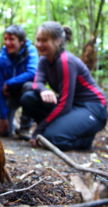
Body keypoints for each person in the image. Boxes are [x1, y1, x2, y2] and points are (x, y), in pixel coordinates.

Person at [20, 21, 107, 150]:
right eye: (38, 40)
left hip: (93, 108)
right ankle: (54, 129)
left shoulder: (66, 61)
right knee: (29, 97)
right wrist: (43, 90)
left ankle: (85, 141)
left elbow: (65, 105)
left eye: (44, 40)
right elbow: (36, 83)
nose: (39, 44)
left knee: (51, 139)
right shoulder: (44, 60)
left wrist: (39, 129)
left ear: (58, 41)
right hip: (73, 107)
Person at [0, 25, 39, 137]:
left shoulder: (30, 51)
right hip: (11, 94)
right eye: (5, 39)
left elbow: (33, 72)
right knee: (4, 133)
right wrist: (3, 117)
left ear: (21, 42)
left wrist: (9, 82)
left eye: (12, 39)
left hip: (25, 91)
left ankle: (25, 127)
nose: (7, 43)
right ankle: (9, 122)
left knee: (29, 87)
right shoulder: (1, 58)